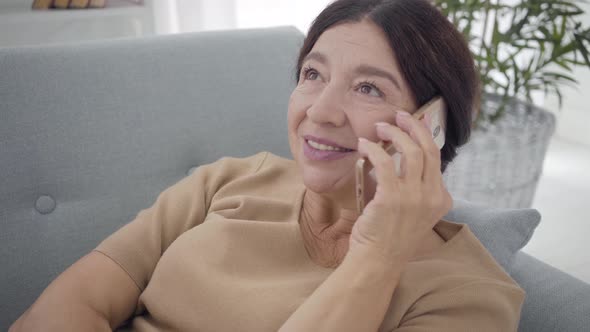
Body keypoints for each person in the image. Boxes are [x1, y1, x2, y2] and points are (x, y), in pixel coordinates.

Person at [10, 0, 525, 331]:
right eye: (312, 74)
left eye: (368, 88)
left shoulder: (468, 299)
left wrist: (378, 256)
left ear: (431, 126)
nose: (319, 112)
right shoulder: (232, 179)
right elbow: (59, 311)